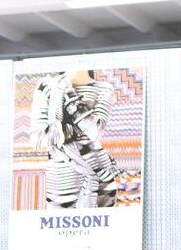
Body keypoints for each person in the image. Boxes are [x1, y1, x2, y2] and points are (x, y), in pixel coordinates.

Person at [29, 70, 121, 209]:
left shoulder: (104, 88)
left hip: (100, 176)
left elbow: (95, 131)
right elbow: (38, 139)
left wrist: (68, 93)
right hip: (61, 182)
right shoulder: (46, 85)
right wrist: (71, 129)